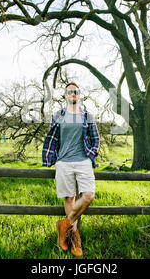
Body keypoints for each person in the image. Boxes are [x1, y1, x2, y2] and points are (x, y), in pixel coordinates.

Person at [42, 82, 100, 258]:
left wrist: (91, 153)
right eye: (69, 91)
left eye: (76, 91)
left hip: (83, 161)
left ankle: (64, 225)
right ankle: (74, 239)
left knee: (88, 196)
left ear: (79, 95)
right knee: (69, 198)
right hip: (64, 162)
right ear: (66, 95)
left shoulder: (87, 116)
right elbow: (53, 138)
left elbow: (95, 138)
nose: (73, 94)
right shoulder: (57, 115)